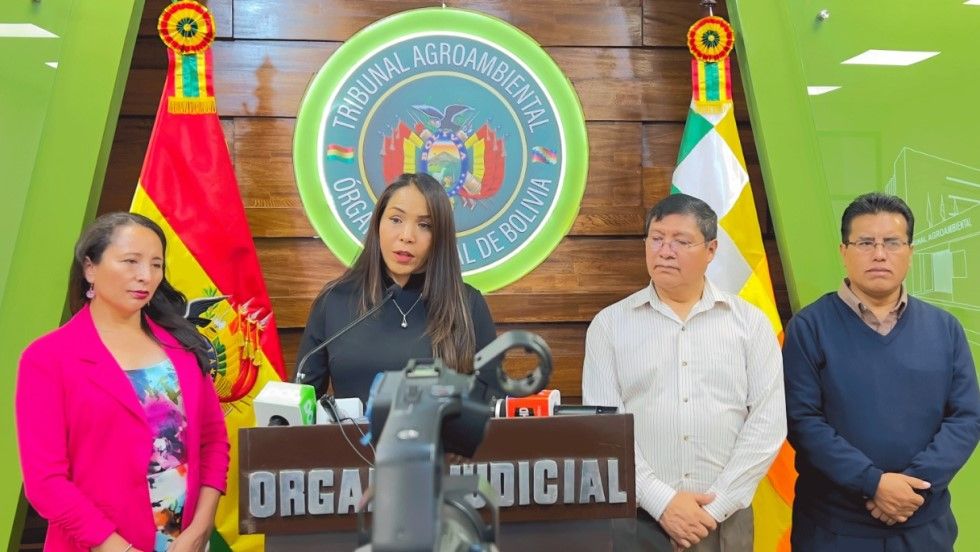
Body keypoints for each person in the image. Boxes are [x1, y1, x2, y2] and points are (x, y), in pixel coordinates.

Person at [15, 212, 230, 552]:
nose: (146, 276)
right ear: (90, 268)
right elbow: (46, 483)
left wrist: (201, 528)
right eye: (131, 261)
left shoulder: (183, 347)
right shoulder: (48, 359)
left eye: (156, 265)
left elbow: (214, 441)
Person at [582, 193, 785, 551]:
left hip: (723, 520)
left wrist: (714, 509)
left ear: (711, 249)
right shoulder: (609, 325)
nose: (665, 251)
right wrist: (662, 503)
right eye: (656, 239)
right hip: (639, 518)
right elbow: (604, 427)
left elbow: (768, 424)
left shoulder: (750, 324)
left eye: (681, 241)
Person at [783, 192, 980, 552]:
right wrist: (872, 483)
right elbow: (802, 421)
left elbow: (966, 417)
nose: (879, 254)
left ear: (910, 252)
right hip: (833, 530)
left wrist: (911, 487)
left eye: (892, 242)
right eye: (865, 243)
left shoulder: (945, 328)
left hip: (923, 525)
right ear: (844, 252)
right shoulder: (809, 328)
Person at [296, 172, 500, 405]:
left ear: (440, 237)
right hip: (351, 431)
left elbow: (493, 407)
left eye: (424, 225)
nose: (407, 236)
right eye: (396, 220)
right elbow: (300, 408)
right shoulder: (334, 301)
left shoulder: (467, 304)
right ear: (378, 224)